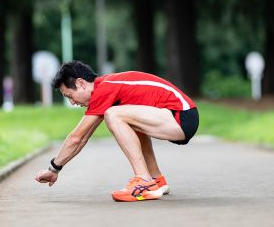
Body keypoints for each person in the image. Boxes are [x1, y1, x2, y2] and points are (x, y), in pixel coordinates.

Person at [35, 60, 199, 202]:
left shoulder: (104, 90)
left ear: (80, 83)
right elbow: (82, 138)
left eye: (70, 95)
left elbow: (76, 138)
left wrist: (53, 169)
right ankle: (156, 180)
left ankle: (144, 181)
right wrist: (55, 169)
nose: (72, 102)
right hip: (179, 116)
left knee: (113, 114)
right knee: (127, 120)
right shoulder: (105, 88)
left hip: (180, 117)